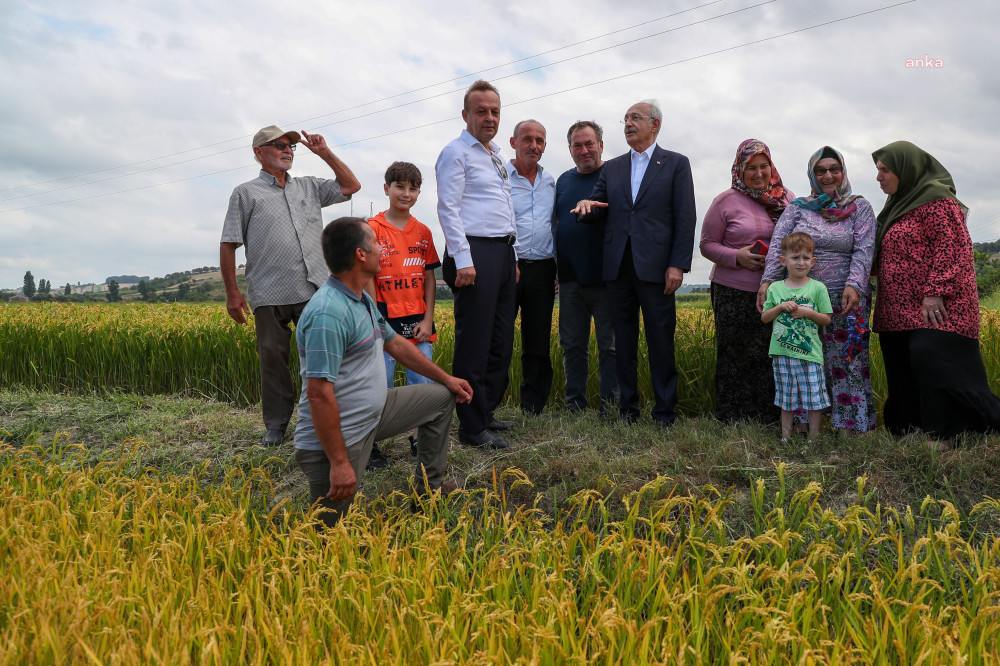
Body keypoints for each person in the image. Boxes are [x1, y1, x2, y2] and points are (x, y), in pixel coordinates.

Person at [293, 218, 473, 527]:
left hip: (375, 413)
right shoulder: (328, 312)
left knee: (441, 398)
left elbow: (397, 345)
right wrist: (339, 463)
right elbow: (318, 394)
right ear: (361, 254)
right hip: (341, 435)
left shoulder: (361, 298)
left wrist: (447, 379)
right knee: (328, 537)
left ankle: (428, 492)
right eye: (376, 244)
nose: (382, 251)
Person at [221, 125, 360, 446]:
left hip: (315, 289)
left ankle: (335, 419)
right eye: (279, 145)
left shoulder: (309, 187)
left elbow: (351, 185)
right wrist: (232, 293)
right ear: (259, 152)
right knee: (273, 359)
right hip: (269, 291)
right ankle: (277, 424)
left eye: (291, 147)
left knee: (327, 355)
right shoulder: (246, 193)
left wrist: (323, 152)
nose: (288, 150)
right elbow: (229, 243)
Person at [572, 100, 697, 426]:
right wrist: (587, 205)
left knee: (660, 341)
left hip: (657, 269)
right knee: (621, 343)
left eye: (635, 118)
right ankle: (628, 411)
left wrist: (677, 265)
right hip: (618, 268)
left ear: (654, 124)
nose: (628, 123)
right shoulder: (612, 167)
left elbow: (685, 218)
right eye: (625, 118)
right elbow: (599, 205)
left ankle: (664, 413)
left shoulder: (676, 164)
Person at [871, 141, 1000, 449]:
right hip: (899, 309)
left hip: (942, 305)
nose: (879, 177)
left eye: (885, 170)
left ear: (907, 168)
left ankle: (945, 432)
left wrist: (936, 292)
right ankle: (910, 428)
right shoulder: (897, 206)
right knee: (901, 363)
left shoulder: (938, 202)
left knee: (933, 358)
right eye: (877, 171)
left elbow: (953, 249)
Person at [757, 146, 876, 434]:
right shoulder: (797, 208)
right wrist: (767, 281)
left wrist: (854, 285)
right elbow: (778, 246)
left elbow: (864, 249)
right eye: (820, 170)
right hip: (799, 297)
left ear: (843, 172)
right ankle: (801, 425)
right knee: (801, 357)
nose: (828, 175)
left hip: (845, 297)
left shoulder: (859, 206)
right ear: (812, 174)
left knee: (847, 361)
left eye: (834, 169)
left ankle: (849, 425)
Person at [436, 80, 518, 449]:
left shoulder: (496, 155)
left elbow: (503, 205)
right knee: (475, 342)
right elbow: (448, 208)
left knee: (500, 339)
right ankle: (470, 426)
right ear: (466, 114)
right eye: (481, 111)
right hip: (473, 252)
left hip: (501, 252)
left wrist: (510, 254)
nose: (489, 117)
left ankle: (485, 413)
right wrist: (463, 258)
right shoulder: (456, 152)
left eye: (495, 111)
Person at [700, 139, 792, 425]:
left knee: (772, 353)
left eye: (764, 166)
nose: (759, 173)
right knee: (734, 353)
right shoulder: (725, 200)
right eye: (751, 167)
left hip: (778, 291)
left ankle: (769, 417)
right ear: (740, 169)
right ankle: (732, 418)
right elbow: (706, 245)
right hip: (733, 290)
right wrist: (737, 256)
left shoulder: (787, 198)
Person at [366, 161, 441, 467]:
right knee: (377, 386)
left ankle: (419, 442)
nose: (406, 193)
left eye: (412, 188)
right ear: (387, 189)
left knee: (421, 387)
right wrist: (377, 319)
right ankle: (370, 445)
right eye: (399, 186)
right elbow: (367, 276)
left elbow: (430, 278)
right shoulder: (371, 228)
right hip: (383, 321)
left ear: (419, 193)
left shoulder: (423, 232)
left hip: (418, 322)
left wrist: (427, 319)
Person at [554, 121, 617, 413]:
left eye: (589, 144)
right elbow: (556, 226)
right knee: (572, 346)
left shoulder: (616, 175)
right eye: (577, 145)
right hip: (569, 279)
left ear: (601, 145)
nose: (584, 150)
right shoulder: (564, 181)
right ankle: (574, 405)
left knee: (611, 347)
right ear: (569, 149)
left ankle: (611, 406)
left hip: (607, 279)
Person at [761, 232, 833, 440]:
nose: (800, 262)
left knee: (814, 398)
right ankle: (785, 437)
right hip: (782, 354)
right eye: (794, 257)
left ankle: (814, 438)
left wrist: (807, 313)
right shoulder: (775, 288)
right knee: (786, 398)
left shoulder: (817, 288)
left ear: (813, 261)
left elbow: (826, 319)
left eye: (805, 257)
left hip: (810, 355)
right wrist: (781, 307)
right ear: (783, 260)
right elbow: (765, 318)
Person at [508, 119, 557, 415]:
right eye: (527, 139)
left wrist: (558, 267)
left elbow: (556, 226)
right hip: (508, 267)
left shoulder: (551, 182)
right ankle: (489, 403)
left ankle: (533, 407)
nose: (534, 145)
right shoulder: (500, 177)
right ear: (513, 143)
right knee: (498, 337)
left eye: (540, 140)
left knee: (537, 341)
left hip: (542, 269)